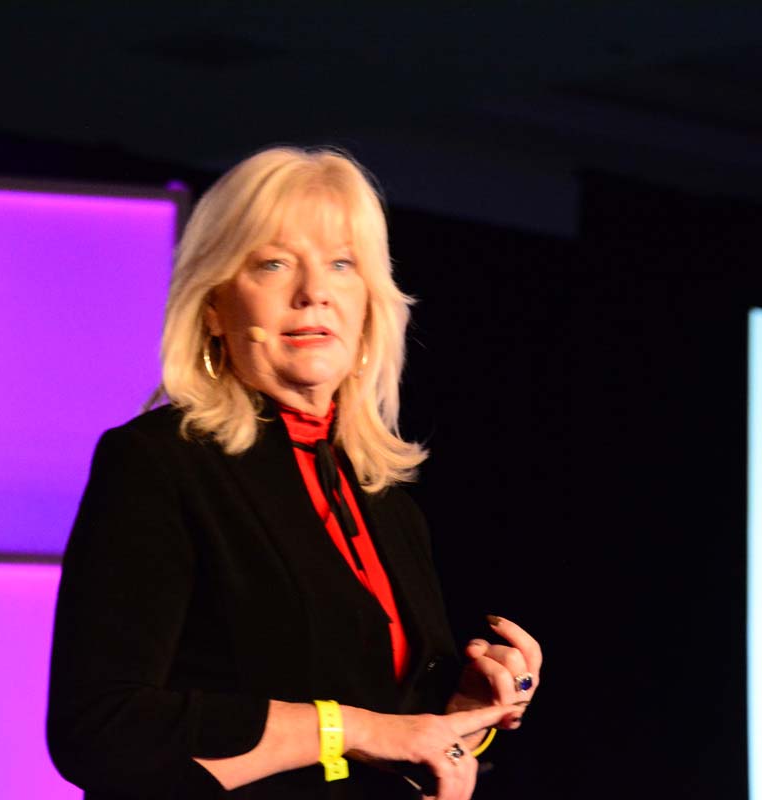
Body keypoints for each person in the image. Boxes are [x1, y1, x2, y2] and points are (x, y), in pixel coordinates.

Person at [47, 147, 541, 799]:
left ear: (369, 307)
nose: (314, 293)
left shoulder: (384, 498)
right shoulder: (159, 461)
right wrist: (351, 729)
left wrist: (462, 712)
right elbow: (100, 730)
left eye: (342, 264)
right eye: (274, 264)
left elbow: (393, 742)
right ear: (214, 308)